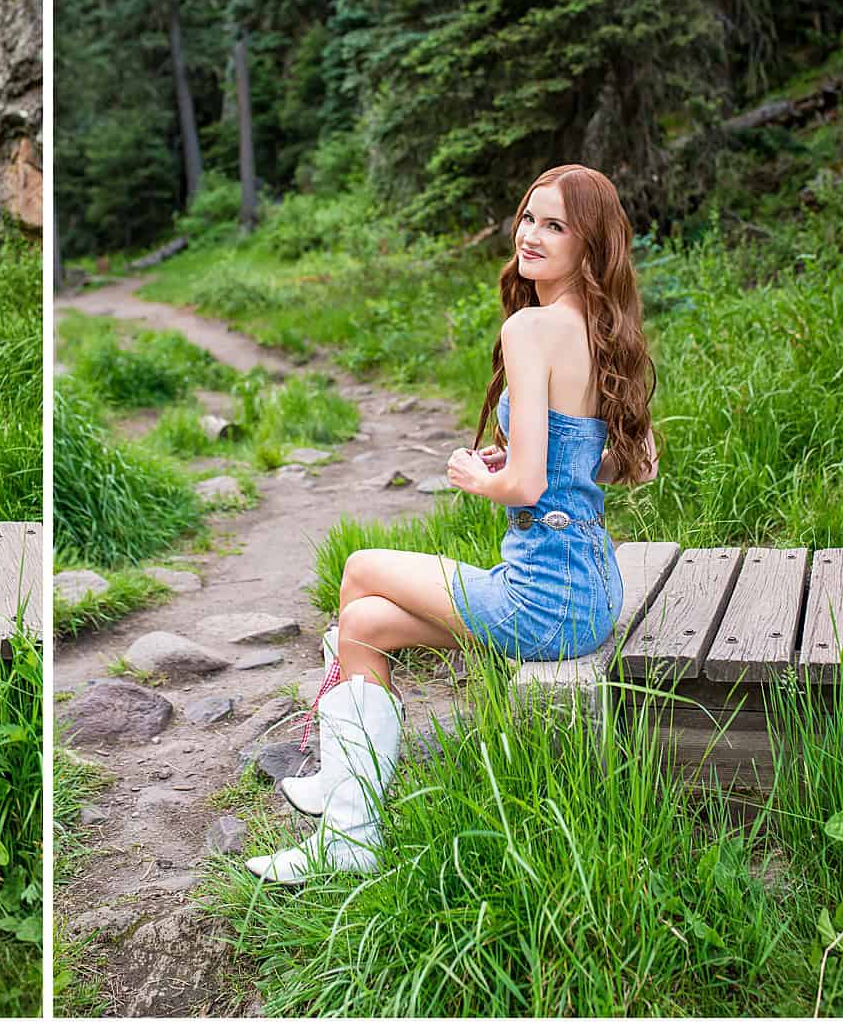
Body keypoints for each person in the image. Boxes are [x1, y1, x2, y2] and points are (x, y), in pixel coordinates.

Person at [247, 164, 660, 885]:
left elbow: (527, 486)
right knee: (367, 623)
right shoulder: (603, 330)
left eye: (555, 226)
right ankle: (348, 805)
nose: (530, 235)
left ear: (589, 247)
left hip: (543, 600)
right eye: (528, 218)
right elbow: (626, 466)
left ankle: (349, 816)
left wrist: (482, 476)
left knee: (358, 571)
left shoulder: (533, 328)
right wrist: (525, 462)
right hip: (588, 587)